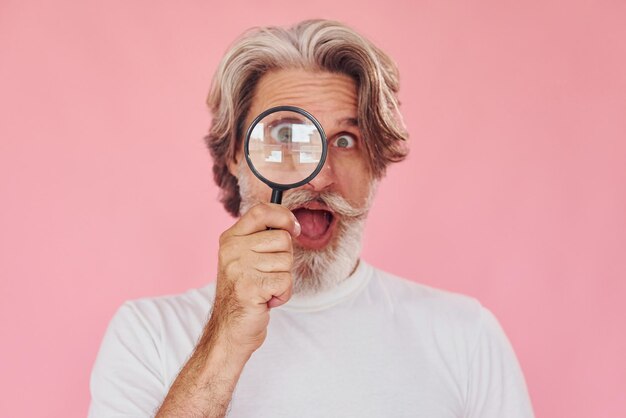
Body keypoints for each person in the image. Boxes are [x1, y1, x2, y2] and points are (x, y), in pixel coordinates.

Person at [88, 19, 534, 418]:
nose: (319, 176)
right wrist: (223, 343)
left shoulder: (466, 335)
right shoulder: (147, 334)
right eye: (285, 136)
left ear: (377, 165)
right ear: (236, 156)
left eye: (345, 140)